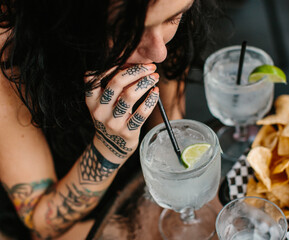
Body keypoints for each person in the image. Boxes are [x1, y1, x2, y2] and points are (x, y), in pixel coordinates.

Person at [0, 0, 220, 239]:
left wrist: (172, 168)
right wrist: (111, 147)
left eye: (172, 18)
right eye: (128, 32)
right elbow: (43, 224)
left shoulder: (166, 11)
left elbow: (168, 105)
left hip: (137, 178)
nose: (159, 52)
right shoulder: (10, 55)